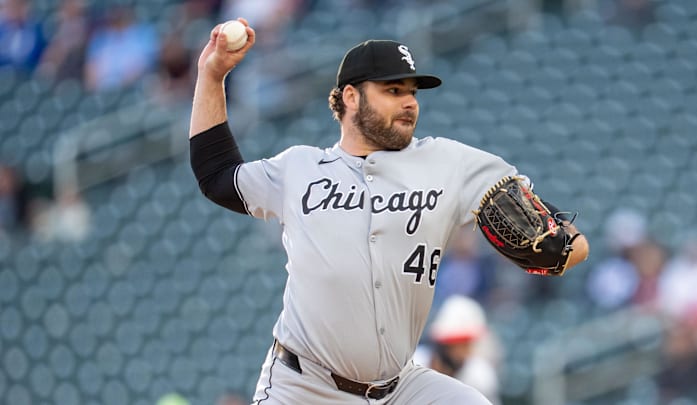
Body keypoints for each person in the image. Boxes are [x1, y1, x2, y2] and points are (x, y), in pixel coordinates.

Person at [188, 18, 589, 404]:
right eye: (393, 91)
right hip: (302, 388)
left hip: (401, 389)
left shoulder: (449, 163)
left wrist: (565, 243)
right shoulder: (298, 169)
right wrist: (212, 76)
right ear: (351, 96)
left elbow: (555, 238)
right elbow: (218, 176)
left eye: (412, 92)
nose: (410, 102)